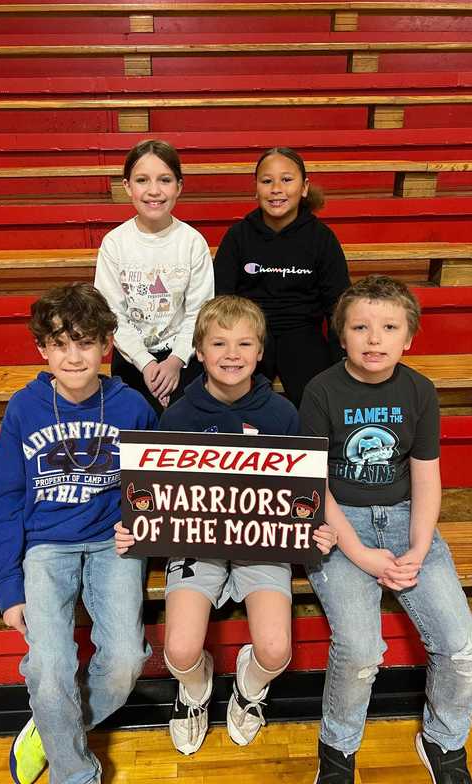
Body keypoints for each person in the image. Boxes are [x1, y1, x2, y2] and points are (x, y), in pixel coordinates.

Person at [116, 294, 338, 756]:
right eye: (219, 343)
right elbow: (157, 493)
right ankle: (195, 690)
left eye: (244, 344)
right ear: (199, 351)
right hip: (198, 542)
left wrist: (315, 525)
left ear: (261, 352)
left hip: (263, 542)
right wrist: (139, 526)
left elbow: (304, 489)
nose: (232, 354)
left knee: (275, 650)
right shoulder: (179, 414)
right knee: (179, 651)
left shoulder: (282, 413)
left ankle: (249, 688)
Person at [299, 276, 472, 784]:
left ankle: (444, 741)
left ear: (409, 338)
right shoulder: (320, 390)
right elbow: (314, 483)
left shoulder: (419, 390)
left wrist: (419, 548)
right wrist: (360, 553)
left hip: (406, 518)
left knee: (463, 646)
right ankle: (337, 750)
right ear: (341, 336)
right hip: (340, 523)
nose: (374, 338)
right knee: (360, 651)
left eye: (388, 327)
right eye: (360, 327)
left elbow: (425, 476)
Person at [0, 283, 158, 784]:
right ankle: (74, 772)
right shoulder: (24, 408)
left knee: (126, 661)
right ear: (42, 349)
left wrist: (139, 522)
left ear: (107, 345)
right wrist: (8, 586)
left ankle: (52, 726)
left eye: (85, 343)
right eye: (60, 344)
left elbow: (155, 486)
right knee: (48, 668)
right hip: (46, 547)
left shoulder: (132, 407)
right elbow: (1, 501)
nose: (73, 357)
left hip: (110, 544)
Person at [214, 146, 350, 407]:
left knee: (316, 400)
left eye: (287, 180)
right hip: (249, 333)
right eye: (267, 181)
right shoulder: (238, 236)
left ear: (304, 187)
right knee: (237, 399)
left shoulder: (321, 238)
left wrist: (343, 359)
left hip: (302, 333)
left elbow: (338, 305)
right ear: (256, 189)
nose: (276, 189)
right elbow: (222, 300)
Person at [95, 138, 214, 414]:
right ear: (127, 186)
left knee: (180, 421)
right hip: (131, 357)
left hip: (183, 355)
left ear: (179, 186)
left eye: (165, 180)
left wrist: (175, 361)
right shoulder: (115, 244)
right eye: (142, 180)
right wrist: (145, 362)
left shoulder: (192, 242)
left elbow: (199, 313)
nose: (154, 191)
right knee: (136, 419)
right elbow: (111, 314)